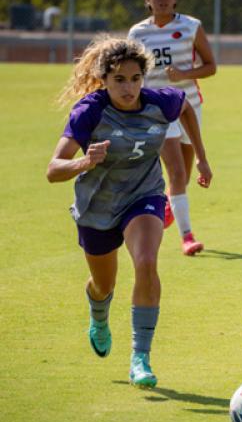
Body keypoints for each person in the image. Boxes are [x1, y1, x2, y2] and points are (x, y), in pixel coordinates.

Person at [47, 36, 212, 387]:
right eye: (119, 79)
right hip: (98, 207)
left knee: (146, 262)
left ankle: (140, 357)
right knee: (104, 284)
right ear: (104, 79)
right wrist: (83, 163)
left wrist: (200, 156)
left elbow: (185, 108)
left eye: (135, 78)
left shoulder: (159, 101)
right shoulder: (90, 111)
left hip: (144, 195)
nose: (128, 87)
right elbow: (53, 169)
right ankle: (99, 311)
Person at [128, 0, 217, 256]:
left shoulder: (191, 26)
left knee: (184, 175)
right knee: (176, 172)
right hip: (157, 111)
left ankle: (170, 204)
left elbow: (211, 66)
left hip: (190, 106)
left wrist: (183, 75)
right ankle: (187, 237)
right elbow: (131, 72)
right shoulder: (137, 33)